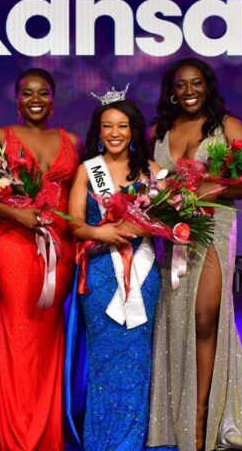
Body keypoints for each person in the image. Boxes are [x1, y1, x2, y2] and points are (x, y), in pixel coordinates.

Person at [146, 58, 242, 450]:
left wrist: (213, 189)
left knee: (204, 318)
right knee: (175, 320)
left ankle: (202, 418)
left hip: (212, 231)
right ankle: (173, 415)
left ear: (208, 86)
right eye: (181, 85)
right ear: (171, 91)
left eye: (197, 83)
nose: (190, 91)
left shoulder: (229, 127)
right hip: (170, 238)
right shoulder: (158, 131)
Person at [0, 68, 80, 451]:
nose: (36, 99)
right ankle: (16, 437)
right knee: (19, 336)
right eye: (28, 93)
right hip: (13, 245)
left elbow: (80, 196)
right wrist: (16, 214)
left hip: (60, 248)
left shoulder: (71, 140)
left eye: (43, 93)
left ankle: (45, 434)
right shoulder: (0, 138)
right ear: (16, 98)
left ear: (53, 98)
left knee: (49, 338)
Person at [64, 91, 162, 451]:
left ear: (133, 129)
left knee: (137, 355)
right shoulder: (87, 170)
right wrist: (99, 231)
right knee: (104, 357)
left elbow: (164, 219)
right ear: (99, 131)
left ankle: (129, 443)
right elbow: (73, 224)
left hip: (142, 269)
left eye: (122, 126)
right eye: (108, 126)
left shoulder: (149, 170)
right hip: (102, 270)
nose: (115, 133)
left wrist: (146, 227)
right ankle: (101, 441)